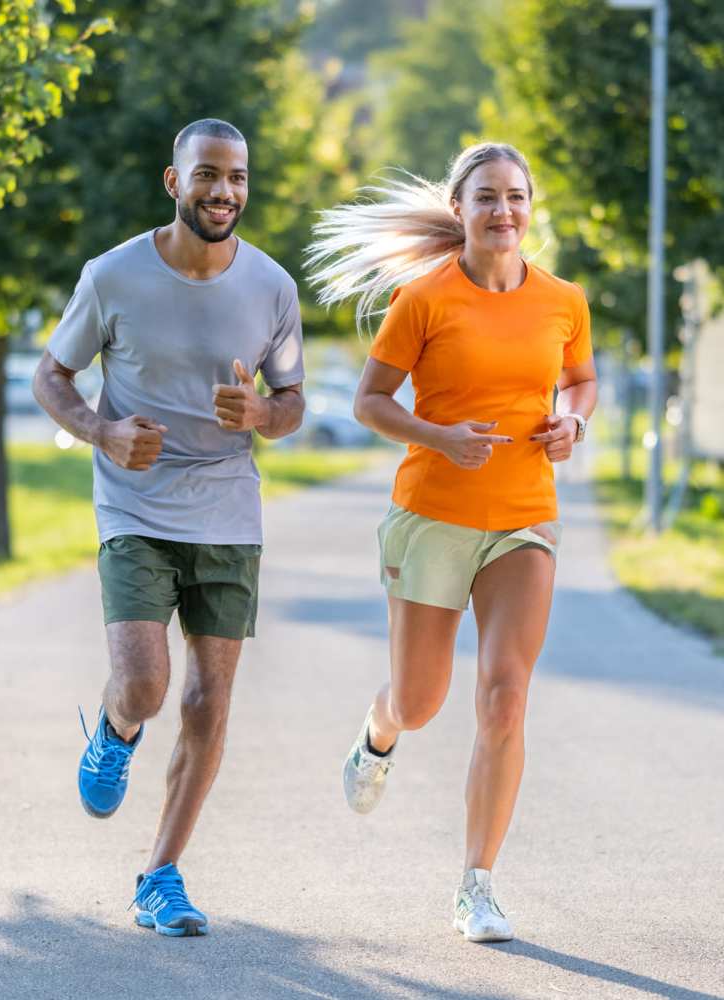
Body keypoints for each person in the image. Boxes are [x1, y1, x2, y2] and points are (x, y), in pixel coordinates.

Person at [308, 142, 597, 943]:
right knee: (422, 700)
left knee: (505, 696)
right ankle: (380, 730)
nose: (504, 211)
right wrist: (437, 435)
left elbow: (580, 379)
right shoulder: (424, 298)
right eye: (487, 198)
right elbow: (370, 401)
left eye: (516, 197)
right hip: (433, 513)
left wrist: (573, 419)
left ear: (530, 206)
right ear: (459, 207)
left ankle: (477, 885)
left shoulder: (563, 299)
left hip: (523, 517)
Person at [33, 118, 305, 937]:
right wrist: (100, 431)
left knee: (208, 700)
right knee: (148, 685)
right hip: (135, 504)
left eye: (239, 178)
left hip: (227, 506)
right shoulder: (113, 276)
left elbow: (293, 405)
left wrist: (261, 411)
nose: (225, 192)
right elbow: (52, 373)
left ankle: (160, 874)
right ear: (173, 181)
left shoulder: (272, 287)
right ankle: (117, 730)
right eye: (209, 175)